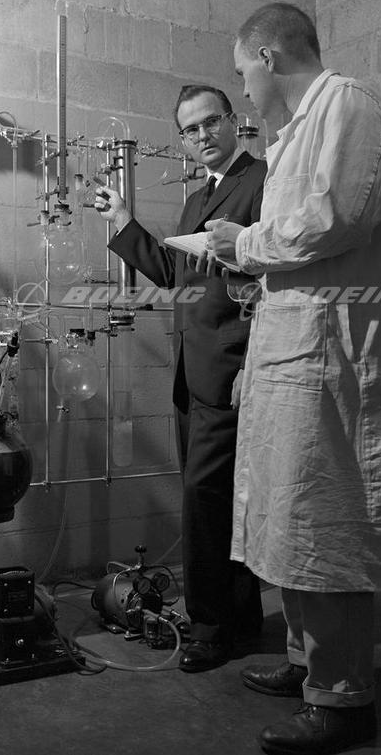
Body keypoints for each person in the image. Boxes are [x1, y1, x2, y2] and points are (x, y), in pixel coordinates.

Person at [198, 3, 381, 754]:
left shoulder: (348, 104)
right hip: (292, 351)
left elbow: (338, 218)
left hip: (331, 358)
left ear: (267, 55)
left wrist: (243, 242)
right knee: (288, 515)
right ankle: (305, 660)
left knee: (322, 517)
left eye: (242, 73)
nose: (244, 89)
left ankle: (344, 698)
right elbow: (298, 256)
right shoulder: (293, 134)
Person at [93, 84, 266, 672]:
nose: (202, 136)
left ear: (233, 121)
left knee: (206, 500)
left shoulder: (263, 181)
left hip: (233, 369)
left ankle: (210, 628)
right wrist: (123, 221)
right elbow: (175, 272)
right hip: (194, 374)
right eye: (190, 130)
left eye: (210, 122)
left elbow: (274, 274)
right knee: (221, 499)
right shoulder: (198, 201)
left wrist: (252, 363)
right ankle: (241, 616)